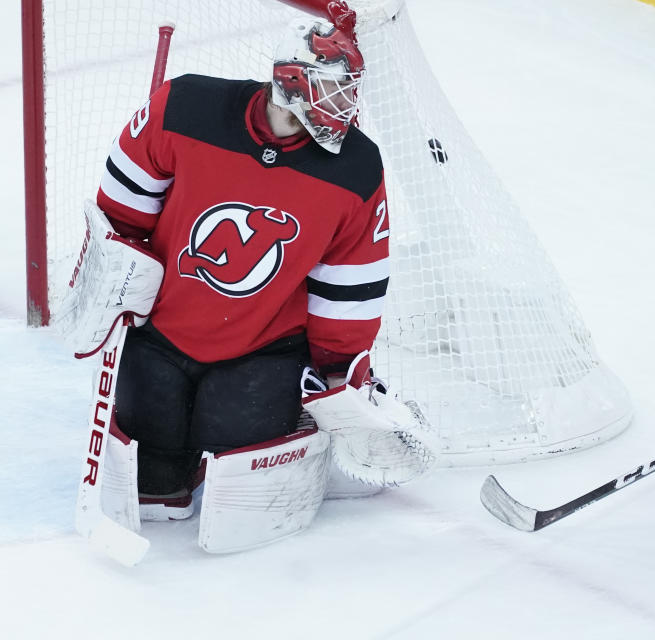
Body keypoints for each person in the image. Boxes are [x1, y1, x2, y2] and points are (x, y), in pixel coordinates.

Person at [59, 1, 435, 551]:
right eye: (332, 89)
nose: (345, 106)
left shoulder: (356, 169)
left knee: (237, 442)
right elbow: (120, 209)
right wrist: (113, 272)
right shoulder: (185, 108)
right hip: (162, 330)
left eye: (348, 90)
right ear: (289, 82)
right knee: (154, 475)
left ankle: (301, 435)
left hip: (266, 347)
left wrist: (339, 372)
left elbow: (349, 284)